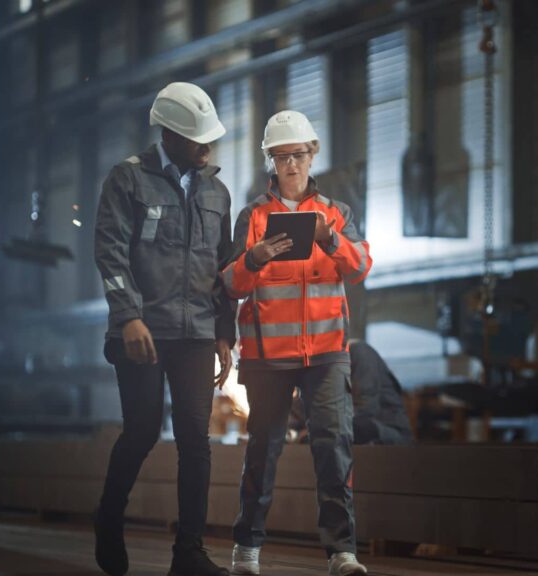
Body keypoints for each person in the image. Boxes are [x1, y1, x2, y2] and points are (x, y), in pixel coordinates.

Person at [93, 81, 235, 576]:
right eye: (199, 139)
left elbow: (225, 268)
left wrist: (224, 332)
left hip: (196, 332)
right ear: (170, 135)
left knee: (196, 438)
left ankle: (189, 553)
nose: (208, 147)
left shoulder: (217, 192)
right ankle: (109, 518)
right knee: (143, 430)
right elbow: (110, 252)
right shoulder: (128, 181)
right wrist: (128, 316)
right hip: (143, 332)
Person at [223, 110, 372, 576]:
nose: (291, 165)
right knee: (261, 453)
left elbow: (361, 266)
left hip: (327, 354)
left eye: (299, 155)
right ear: (270, 160)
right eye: (282, 157)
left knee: (333, 447)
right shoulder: (253, 217)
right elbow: (230, 284)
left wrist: (330, 240)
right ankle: (247, 550)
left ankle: (342, 553)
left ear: (313, 156)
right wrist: (255, 257)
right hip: (269, 359)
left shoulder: (336, 214)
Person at [349, 340, 413, 445]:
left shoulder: (359, 352)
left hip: (391, 432)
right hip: (363, 428)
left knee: (349, 428)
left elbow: (366, 410)